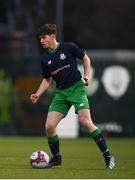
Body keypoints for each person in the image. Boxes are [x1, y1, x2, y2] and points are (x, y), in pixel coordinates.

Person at [30, 24, 115, 170]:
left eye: (44, 38)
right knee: (49, 126)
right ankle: (57, 159)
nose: (42, 41)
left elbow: (86, 58)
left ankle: (108, 156)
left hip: (76, 89)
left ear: (52, 36)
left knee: (86, 122)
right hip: (61, 93)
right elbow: (47, 79)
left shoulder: (68, 47)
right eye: (40, 39)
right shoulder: (44, 58)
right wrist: (37, 93)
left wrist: (87, 76)